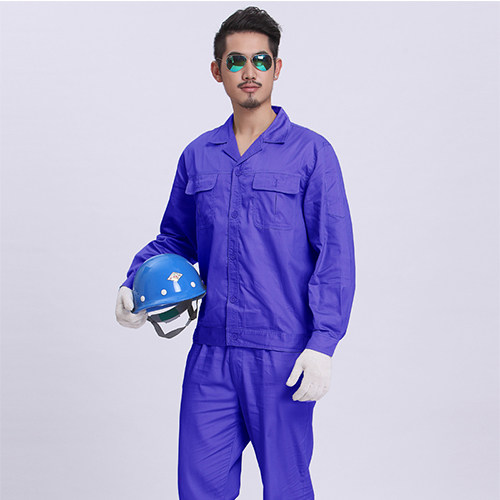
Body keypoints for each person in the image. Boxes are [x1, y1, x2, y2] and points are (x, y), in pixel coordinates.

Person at [115, 6, 356, 499]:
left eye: (261, 60)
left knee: (286, 488)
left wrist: (323, 343)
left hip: (283, 353)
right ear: (217, 70)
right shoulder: (199, 155)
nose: (250, 71)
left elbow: (335, 255)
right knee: (200, 487)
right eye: (237, 61)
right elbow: (176, 238)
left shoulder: (311, 154)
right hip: (212, 354)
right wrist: (133, 281)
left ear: (277, 68)